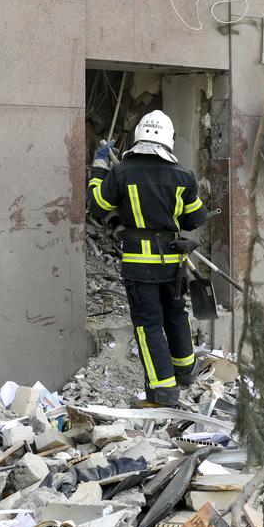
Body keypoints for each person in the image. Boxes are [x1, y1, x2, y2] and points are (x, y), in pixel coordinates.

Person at [88, 110, 207, 407]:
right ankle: (185, 371)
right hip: (173, 264)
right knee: (176, 315)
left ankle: (162, 391)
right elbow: (196, 218)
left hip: (139, 266)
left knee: (149, 325)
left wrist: (100, 167)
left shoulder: (122, 171)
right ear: (169, 140)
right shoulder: (183, 175)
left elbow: (99, 206)